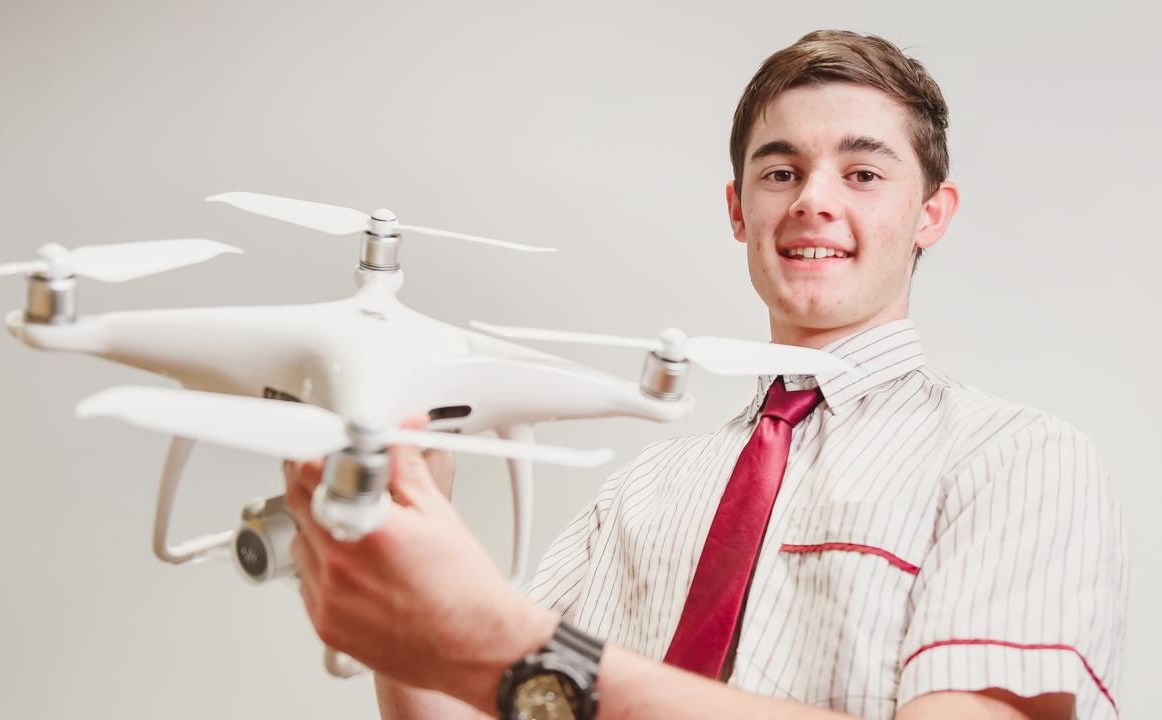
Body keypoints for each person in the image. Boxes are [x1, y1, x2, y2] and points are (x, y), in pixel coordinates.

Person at [281, 30, 1127, 720]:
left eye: (863, 173)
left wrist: (504, 640)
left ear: (930, 215)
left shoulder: (1017, 460)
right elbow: (497, 697)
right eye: (781, 171)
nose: (813, 201)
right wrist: (405, 528)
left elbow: (511, 655)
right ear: (739, 209)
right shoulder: (643, 493)